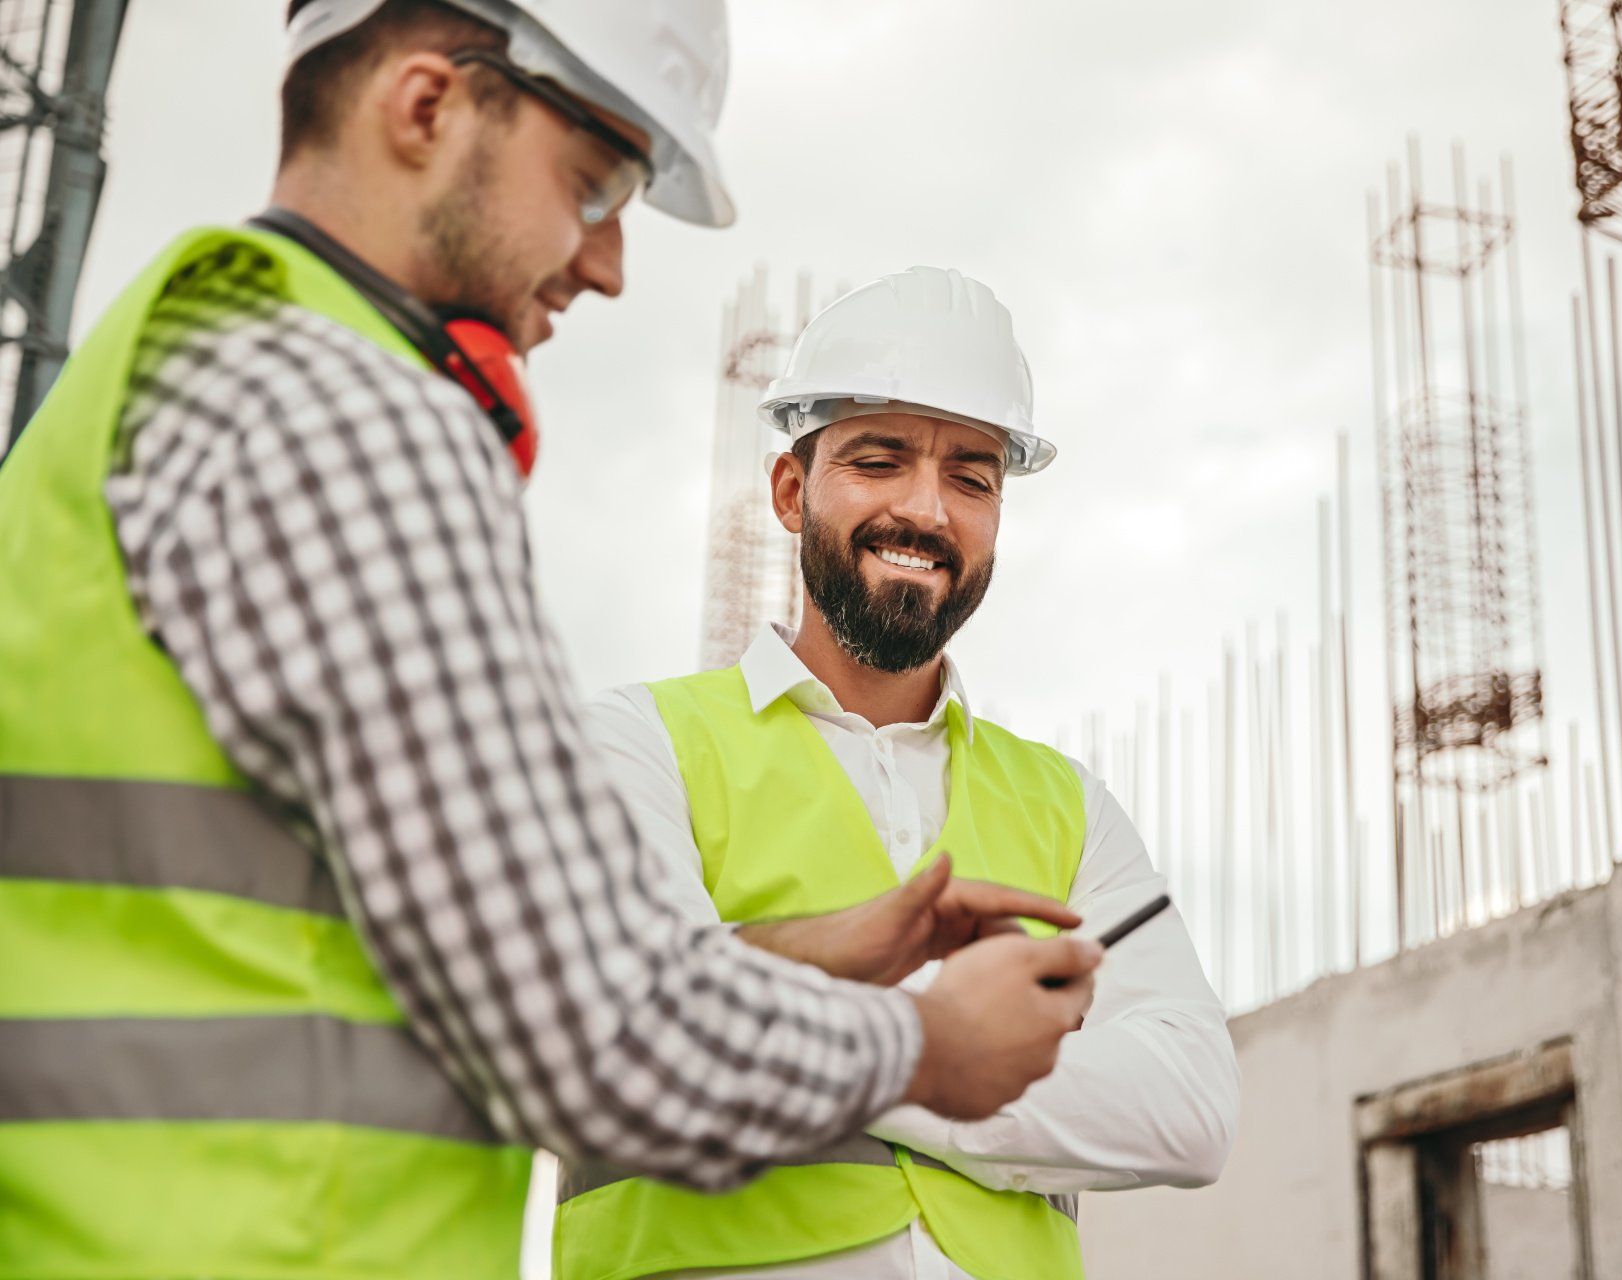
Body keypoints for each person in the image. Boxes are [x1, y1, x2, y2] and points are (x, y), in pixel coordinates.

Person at [0, 7, 1101, 1278]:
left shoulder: (178, 359)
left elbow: (409, 946)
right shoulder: (346, 419)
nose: (610, 263)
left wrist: (813, 952)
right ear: (425, 108)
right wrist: (923, 1046)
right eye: (594, 185)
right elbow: (587, 1032)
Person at [563, 266, 1240, 1280]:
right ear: (792, 492)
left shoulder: (1069, 806)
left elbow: (1189, 1108)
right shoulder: (635, 744)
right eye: (880, 461)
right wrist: (946, 1042)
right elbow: (636, 1026)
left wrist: (785, 1022)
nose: (927, 510)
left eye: (972, 477)